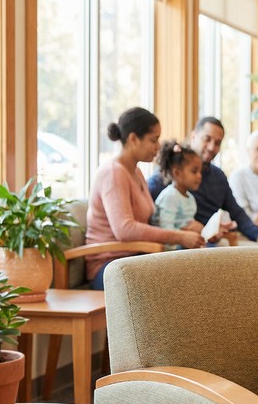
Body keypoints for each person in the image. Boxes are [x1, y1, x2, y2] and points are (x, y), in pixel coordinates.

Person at [85, 107, 205, 289]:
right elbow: (124, 229)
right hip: (110, 266)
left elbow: (150, 221)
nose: (158, 147)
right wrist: (178, 236)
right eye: (153, 140)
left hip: (135, 258)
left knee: (197, 263)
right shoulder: (113, 172)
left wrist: (184, 228)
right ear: (133, 139)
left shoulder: (136, 171)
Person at [148, 117, 258, 246]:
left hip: (213, 239)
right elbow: (154, 217)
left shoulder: (218, 176)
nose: (212, 147)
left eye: (217, 143)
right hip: (187, 246)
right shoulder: (167, 176)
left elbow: (237, 213)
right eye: (207, 139)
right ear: (194, 136)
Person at [152, 140, 203, 249]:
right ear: (177, 173)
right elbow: (165, 229)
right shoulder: (170, 196)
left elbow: (187, 223)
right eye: (194, 171)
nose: (199, 176)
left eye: (200, 171)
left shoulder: (190, 198)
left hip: (185, 245)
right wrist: (186, 234)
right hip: (172, 248)